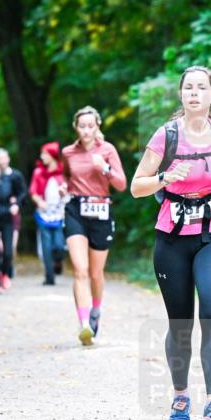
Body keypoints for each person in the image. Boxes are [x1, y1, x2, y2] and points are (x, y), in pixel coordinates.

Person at [130, 66, 211, 420]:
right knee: (180, 321)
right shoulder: (166, 136)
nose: (194, 93)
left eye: (201, 88)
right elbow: (137, 186)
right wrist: (164, 177)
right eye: (188, 88)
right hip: (172, 240)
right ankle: (180, 398)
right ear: (181, 95)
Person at [61, 106, 127, 345]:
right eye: (82, 126)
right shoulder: (68, 152)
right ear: (76, 128)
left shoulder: (107, 150)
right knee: (80, 269)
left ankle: (96, 311)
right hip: (75, 210)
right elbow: (67, 178)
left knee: (96, 273)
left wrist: (105, 168)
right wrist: (63, 187)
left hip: (101, 210)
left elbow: (121, 184)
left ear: (97, 126)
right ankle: (84, 324)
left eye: (91, 126)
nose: (86, 130)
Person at [0, 150, 27, 294]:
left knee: (8, 252)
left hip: (7, 219)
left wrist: (16, 205)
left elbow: (21, 193)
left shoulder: (10, 179)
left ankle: (5, 273)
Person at [30, 142, 68, 287]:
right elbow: (33, 191)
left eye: (45, 154)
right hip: (43, 215)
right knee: (46, 247)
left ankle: (58, 260)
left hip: (59, 214)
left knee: (59, 245)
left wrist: (66, 208)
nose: (42, 157)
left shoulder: (63, 172)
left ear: (52, 155)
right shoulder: (38, 172)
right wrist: (39, 201)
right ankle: (49, 276)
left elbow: (68, 191)